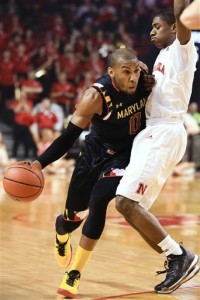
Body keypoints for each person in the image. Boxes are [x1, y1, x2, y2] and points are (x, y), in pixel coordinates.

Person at [33, 47, 155, 298]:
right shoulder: (95, 96)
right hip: (93, 155)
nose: (133, 77)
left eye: (135, 71)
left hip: (125, 155)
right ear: (111, 73)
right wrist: (38, 163)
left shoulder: (143, 77)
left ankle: (74, 273)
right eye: (126, 72)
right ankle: (61, 231)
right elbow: (68, 138)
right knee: (71, 220)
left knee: (100, 200)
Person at [115, 1, 200, 295]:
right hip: (153, 133)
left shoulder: (181, 49)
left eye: (157, 26)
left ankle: (179, 256)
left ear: (175, 28)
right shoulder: (162, 56)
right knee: (130, 208)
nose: (151, 31)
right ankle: (175, 256)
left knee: (125, 201)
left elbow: (181, 12)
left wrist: (181, 8)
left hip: (165, 131)